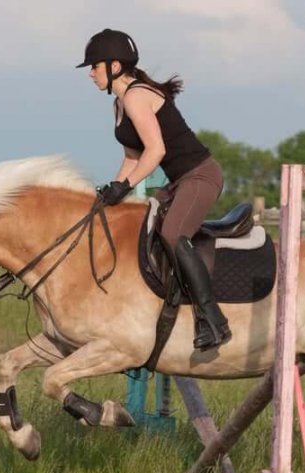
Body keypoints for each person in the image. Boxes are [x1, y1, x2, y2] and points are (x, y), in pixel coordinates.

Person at [76, 28, 231, 350]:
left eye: (94, 66)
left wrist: (126, 186)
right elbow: (132, 158)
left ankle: (213, 319)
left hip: (200, 176)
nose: (90, 73)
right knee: (136, 230)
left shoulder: (136, 95)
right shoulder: (119, 104)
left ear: (114, 66)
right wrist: (111, 192)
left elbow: (155, 151)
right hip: (178, 183)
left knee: (173, 235)